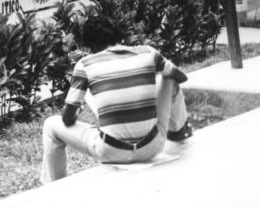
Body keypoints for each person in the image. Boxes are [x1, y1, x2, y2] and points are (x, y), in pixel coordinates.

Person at [40, 14, 193, 184]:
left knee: (50, 125)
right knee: (168, 77)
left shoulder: (85, 64)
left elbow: (67, 119)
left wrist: (79, 109)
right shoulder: (148, 52)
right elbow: (180, 77)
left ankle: (54, 187)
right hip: (153, 146)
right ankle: (179, 130)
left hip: (110, 151)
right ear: (118, 34)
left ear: (89, 45)